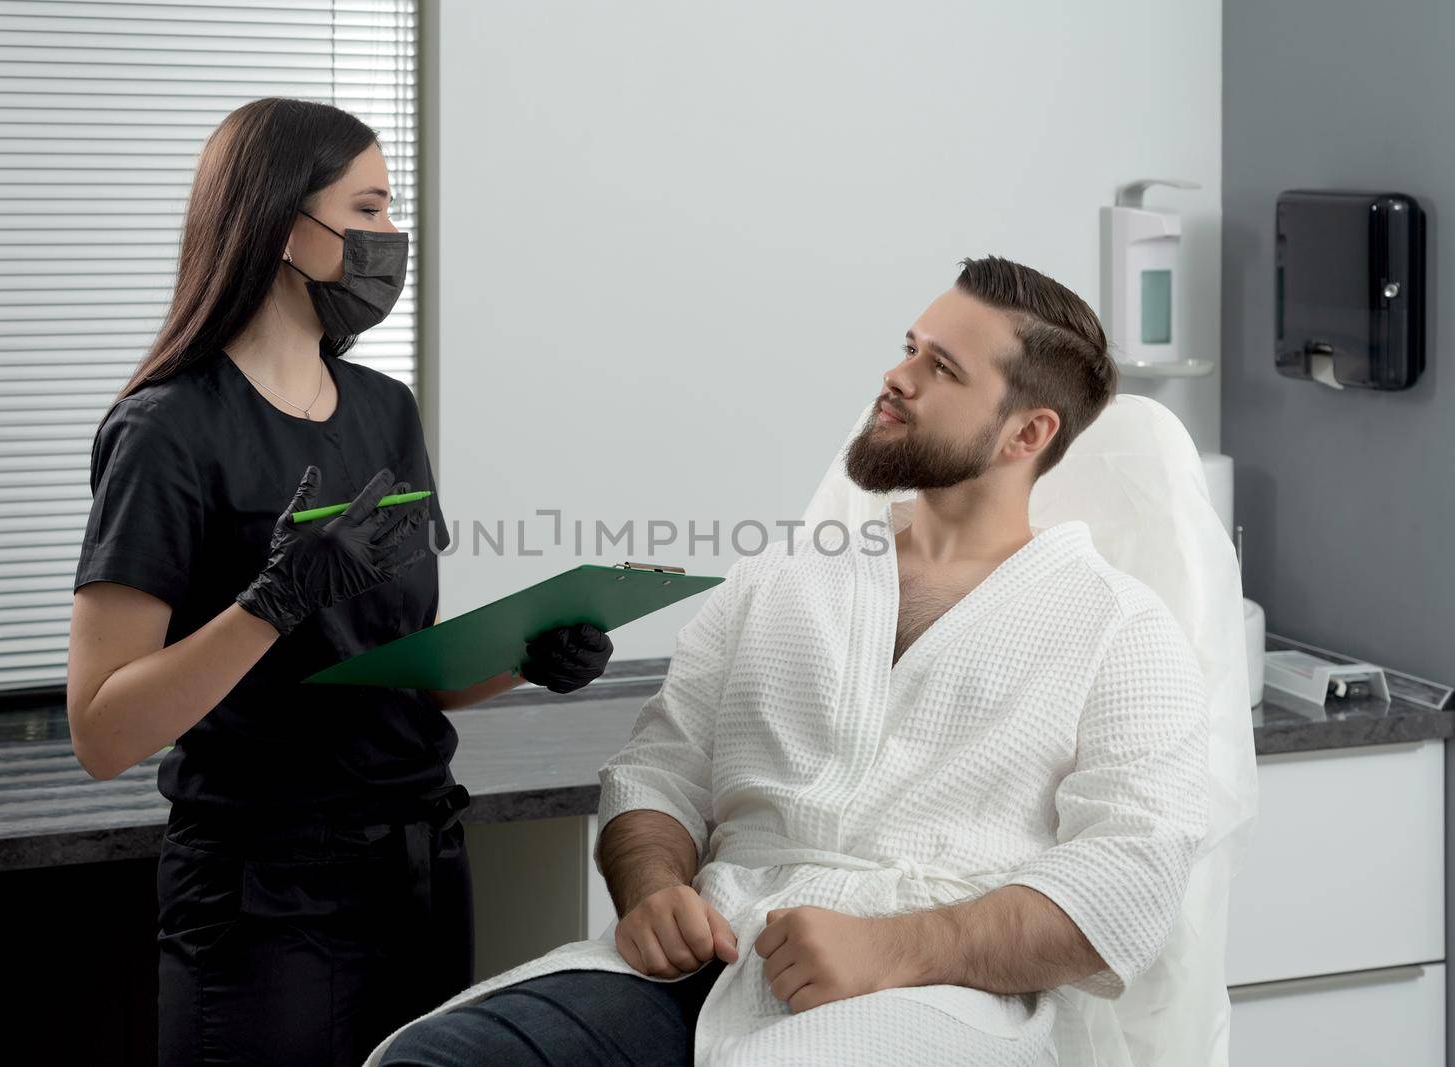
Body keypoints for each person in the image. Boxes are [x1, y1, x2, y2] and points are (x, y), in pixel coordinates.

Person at [369, 256, 1211, 1066]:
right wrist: (655, 889)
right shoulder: (781, 578)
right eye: (909, 346)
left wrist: (892, 948)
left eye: (942, 369)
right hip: (710, 957)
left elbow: (1130, 874)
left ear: (1026, 432)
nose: (898, 377)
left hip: (930, 992)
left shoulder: (1121, 630)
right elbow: (658, 773)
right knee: (434, 1055)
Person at [65, 98, 613, 1067]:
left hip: (419, 859)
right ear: (285, 227)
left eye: (392, 209)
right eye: (368, 210)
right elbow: (105, 730)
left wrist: (529, 655)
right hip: (263, 891)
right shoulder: (166, 431)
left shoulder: (383, 411)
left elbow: (408, 668)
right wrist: (269, 603)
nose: (392, 236)